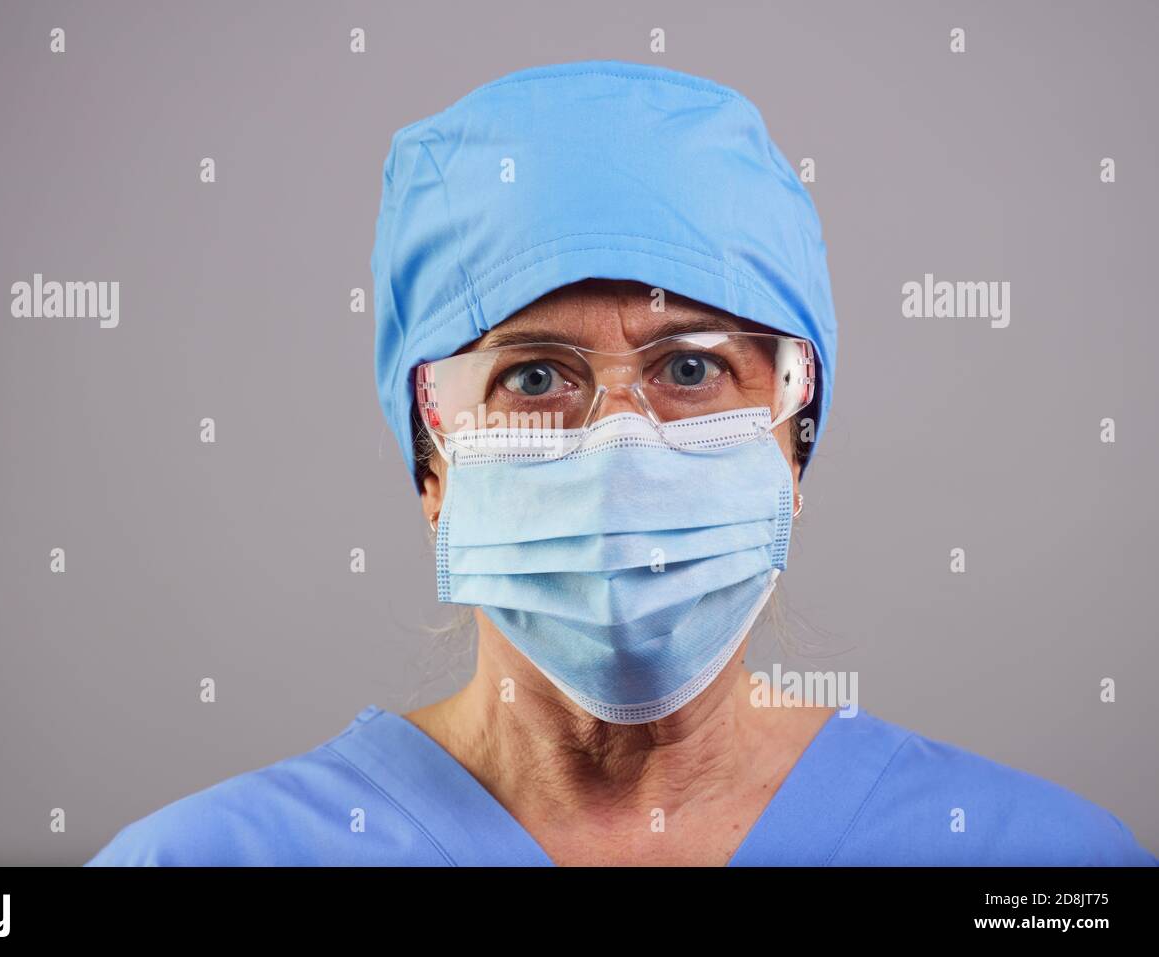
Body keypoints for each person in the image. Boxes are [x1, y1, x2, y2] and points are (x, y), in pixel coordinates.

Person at [85, 59, 1155, 866]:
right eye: (536, 379)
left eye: (690, 369)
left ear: (794, 439)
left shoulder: (1036, 865)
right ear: (432, 462)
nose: (621, 444)